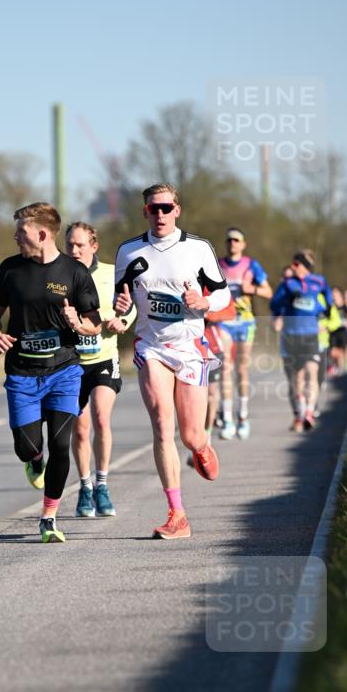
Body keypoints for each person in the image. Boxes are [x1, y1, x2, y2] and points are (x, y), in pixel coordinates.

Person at [114, 183, 231, 540]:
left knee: (191, 435)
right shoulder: (129, 251)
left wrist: (203, 302)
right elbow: (125, 300)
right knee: (163, 425)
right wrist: (122, 311)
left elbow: (225, 294)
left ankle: (201, 446)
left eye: (166, 208)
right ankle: (177, 514)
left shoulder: (197, 248)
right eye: (153, 208)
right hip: (152, 347)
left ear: (177, 210)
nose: (160, 214)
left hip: (190, 348)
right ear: (145, 212)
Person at [0, 202, 101, 543]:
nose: (15, 236)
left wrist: (78, 323)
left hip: (64, 371)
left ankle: (49, 518)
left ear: (41, 234)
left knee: (61, 444)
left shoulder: (75, 272)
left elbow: (94, 323)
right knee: (28, 446)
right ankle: (33, 460)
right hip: (22, 374)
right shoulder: (10, 269)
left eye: (20, 231)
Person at [65, 221, 136, 518]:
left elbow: (130, 304)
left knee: (101, 419)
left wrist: (123, 320)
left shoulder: (111, 273)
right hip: (72, 362)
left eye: (80, 244)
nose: (74, 250)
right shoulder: (59, 276)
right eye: (69, 244)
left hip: (104, 358)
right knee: (80, 430)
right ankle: (85, 487)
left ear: (94, 246)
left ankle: (103, 484)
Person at [217, 228, 272, 440]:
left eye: (236, 240)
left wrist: (252, 289)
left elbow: (269, 292)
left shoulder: (251, 265)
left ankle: (243, 416)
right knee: (225, 367)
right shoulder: (218, 264)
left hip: (246, 322)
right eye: (229, 239)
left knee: (241, 369)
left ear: (243, 244)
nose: (233, 243)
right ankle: (228, 419)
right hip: (224, 321)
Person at [270, 249, 333, 432]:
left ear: (305, 266)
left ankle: (309, 412)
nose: (292, 267)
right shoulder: (288, 284)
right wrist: (284, 304)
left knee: (312, 373)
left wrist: (326, 310)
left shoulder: (318, 281)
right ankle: (302, 410)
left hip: (311, 335)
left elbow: (327, 298)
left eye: (296, 264)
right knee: (297, 378)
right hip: (291, 335)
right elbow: (274, 304)